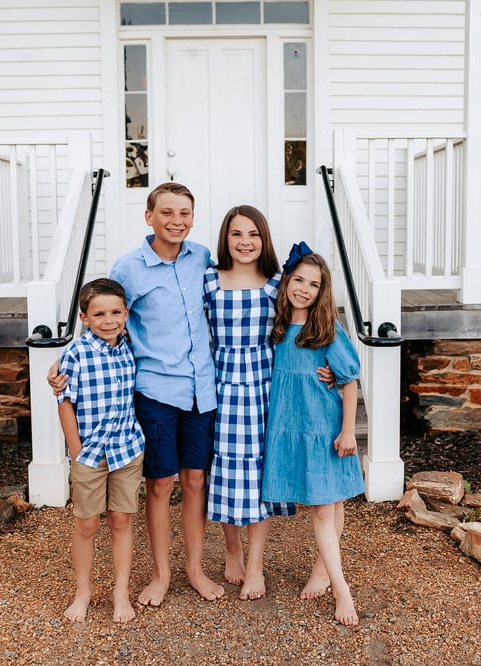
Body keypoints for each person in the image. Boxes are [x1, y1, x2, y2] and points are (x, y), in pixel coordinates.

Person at [51, 182, 223, 607]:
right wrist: (64, 366)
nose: (176, 221)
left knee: (196, 480)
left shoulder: (202, 257)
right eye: (167, 212)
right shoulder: (129, 268)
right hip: (156, 390)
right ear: (149, 217)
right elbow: (103, 315)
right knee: (161, 484)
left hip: (202, 387)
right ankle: (161, 574)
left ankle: (195, 569)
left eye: (185, 212)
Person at [260, 244, 365, 626]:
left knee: (326, 506)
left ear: (323, 291)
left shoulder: (325, 330)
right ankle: (323, 569)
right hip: (289, 425)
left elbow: (350, 380)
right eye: (298, 279)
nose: (304, 288)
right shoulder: (276, 325)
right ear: (287, 280)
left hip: (324, 428)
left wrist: (348, 431)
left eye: (314, 284)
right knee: (330, 505)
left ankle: (341, 590)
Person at [203, 205, 297, 601]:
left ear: (264, 239)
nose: (245, 242)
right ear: (226, 238)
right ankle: (232, 550)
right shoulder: (208, 279)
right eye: (237, 234)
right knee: (223, 470)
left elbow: (308, 327)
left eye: (254, 234)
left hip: (264, 384)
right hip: (220, 383)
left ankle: (257, 564)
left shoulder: (278, 283)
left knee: (260, 476)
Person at [56, 278, 145, 624]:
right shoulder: (76, 354)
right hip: (90, 454)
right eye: (99, 314)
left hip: (126, 449)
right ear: (84, 317)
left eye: (115, 312)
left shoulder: (130, 345)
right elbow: (65, 404)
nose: (109, 320)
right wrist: (76, 451)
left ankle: (120, 592)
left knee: (121, 520)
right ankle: (83, 591)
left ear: (126, 313)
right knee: (87, 524)